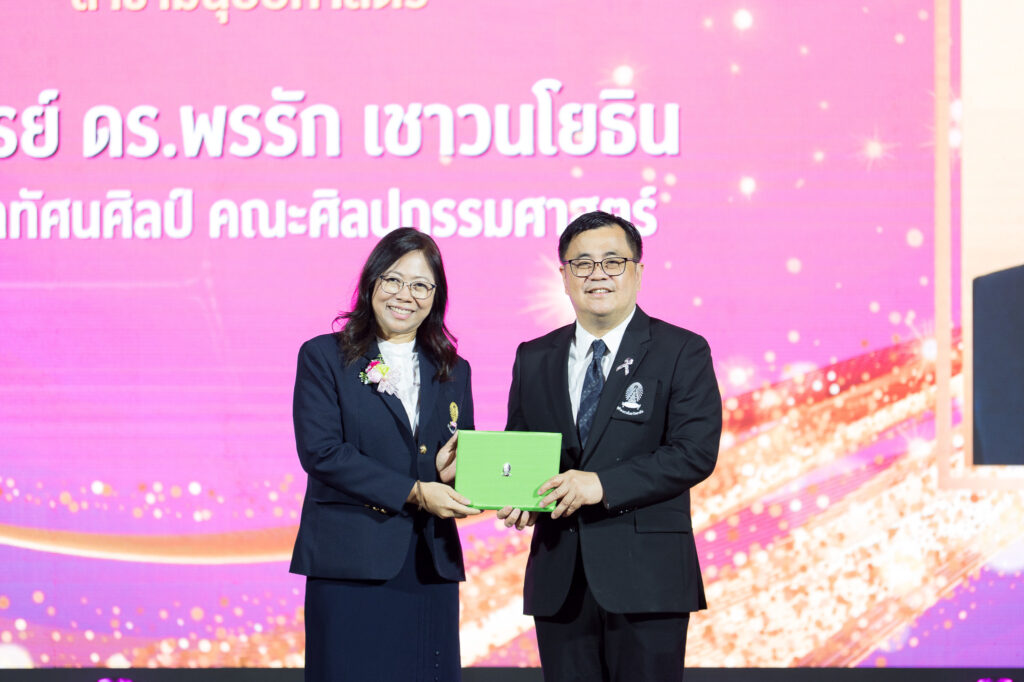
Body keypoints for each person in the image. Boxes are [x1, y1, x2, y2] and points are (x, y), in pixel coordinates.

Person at [498, 211, 722, 681]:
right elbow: (521, 446)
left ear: (638, 271)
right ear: (564, 277)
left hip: (649, 580)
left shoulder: (681, 350)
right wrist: (518, 494)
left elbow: (694, 452)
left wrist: (601, 484)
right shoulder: (533, 356)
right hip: (560, 580)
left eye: (613, 261)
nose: (597, 274)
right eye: (582, 263)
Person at [290, 227, 481, 682]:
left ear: (436, 296)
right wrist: (414, 490)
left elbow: (460, 454)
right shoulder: (325, 356)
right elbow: (322, 452)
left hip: (429, 565)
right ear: (371, 282)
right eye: (393, 279)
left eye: (421, 285)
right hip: (351, 563)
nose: (405, 295)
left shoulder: (453, 370)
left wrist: (459, 474)